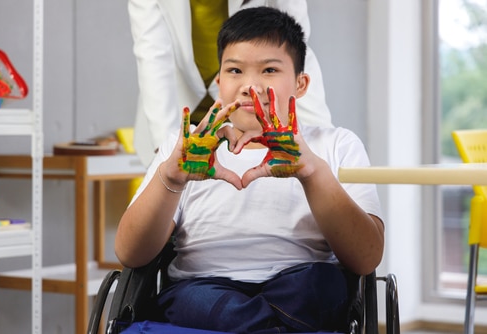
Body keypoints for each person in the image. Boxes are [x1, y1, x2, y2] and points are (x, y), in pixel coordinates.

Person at [116, 7, 384, 333]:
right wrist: (170, 178)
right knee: (195, 301)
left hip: (303, 280)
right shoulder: (188, 147)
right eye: (235, 71)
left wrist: (313, 173)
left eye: (269, 70)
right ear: (218, 82)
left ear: (301, 84)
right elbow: (130, 253)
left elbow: (366, 258)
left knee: (321, 285)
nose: (250, 86)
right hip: (206, 286)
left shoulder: (337, 143)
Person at [128, 0, 334, 167]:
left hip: (257, 115)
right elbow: (152, 55)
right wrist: (167, 150)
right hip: (178, 110)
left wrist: (320, 144)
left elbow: (298, 49)